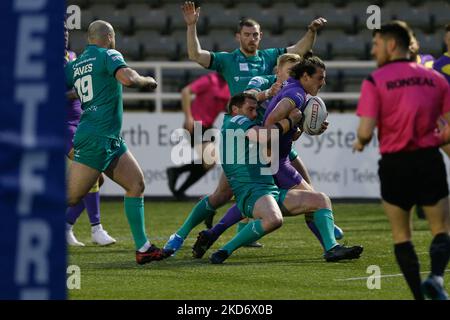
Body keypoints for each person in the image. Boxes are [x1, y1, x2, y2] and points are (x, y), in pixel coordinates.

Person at [163, 1, 327, 253]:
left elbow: (298, 50)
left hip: (270, 135)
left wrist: (312, 31)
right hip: (241, 133)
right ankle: (181, 235)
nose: (252, 38)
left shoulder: (272, 59)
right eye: (248, 34)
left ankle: (327, 235)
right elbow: (195, 55)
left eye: (256, 34)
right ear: (238, 36)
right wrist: (191, 26)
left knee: (301, 182)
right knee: (223, 194)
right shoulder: (228, 60)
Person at [192, 54, 344, 258]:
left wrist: (307, 126)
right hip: (276, 159)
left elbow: (288, 129)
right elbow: (269, 123)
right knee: (315, 201)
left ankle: (213, 234)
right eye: (320, 77)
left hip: (275, 155)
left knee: (253, 201)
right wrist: (291, 122)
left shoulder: (295, 91)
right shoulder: (295, 94)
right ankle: (330, 245)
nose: (323, 82)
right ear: (304, 76)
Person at [352, 21, 450, 300]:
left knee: (401, 235)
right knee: (442, 230)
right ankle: (436, 278)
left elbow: (365, 132)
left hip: (395, 164)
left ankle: (418, 298)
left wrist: (359, 142)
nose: (373, 50)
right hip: (428, 160)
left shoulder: (376, 80)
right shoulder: (436, 79)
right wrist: (434, 140)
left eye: (376, 44)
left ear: (391, 45)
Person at [209, 92, 363, 264]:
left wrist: (302, 126)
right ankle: (225, 249)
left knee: (321, 200)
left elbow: (274, 139)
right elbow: (264, 135)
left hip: (268, 190)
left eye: (255, 109)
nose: (254, 113)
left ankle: (332, 249)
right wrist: (290, 120)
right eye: (250, 109)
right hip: (251, 192)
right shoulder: (235, 121)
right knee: (274, 220)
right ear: (235, 110)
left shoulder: (248, 125)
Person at [65, 20, 164, 265]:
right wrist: (146, 80)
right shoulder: (109, 53)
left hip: (109, 138)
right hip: (97, 137)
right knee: (70, 197)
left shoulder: (74, 64)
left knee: (136, 183)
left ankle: (143, 248)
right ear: (109, 36)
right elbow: (128, 78)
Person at [64, 22, 116, 247]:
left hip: (81, 121)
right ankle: (96, 228)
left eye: (66, 31)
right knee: (92, 173)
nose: (64, 35)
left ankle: (65, 226)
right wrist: (77, 93)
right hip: (62, 124)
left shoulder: (73, 56)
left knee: (98, 178)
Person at [166, 72, 230, 200]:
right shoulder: (210, 80)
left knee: (209, 163)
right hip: (195, 123)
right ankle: (177, 177)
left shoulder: (227, 86)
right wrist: (188, 117)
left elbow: (226, 107)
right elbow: (186, 91)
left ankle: (177, 177)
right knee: (210, 160)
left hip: (207, 126)